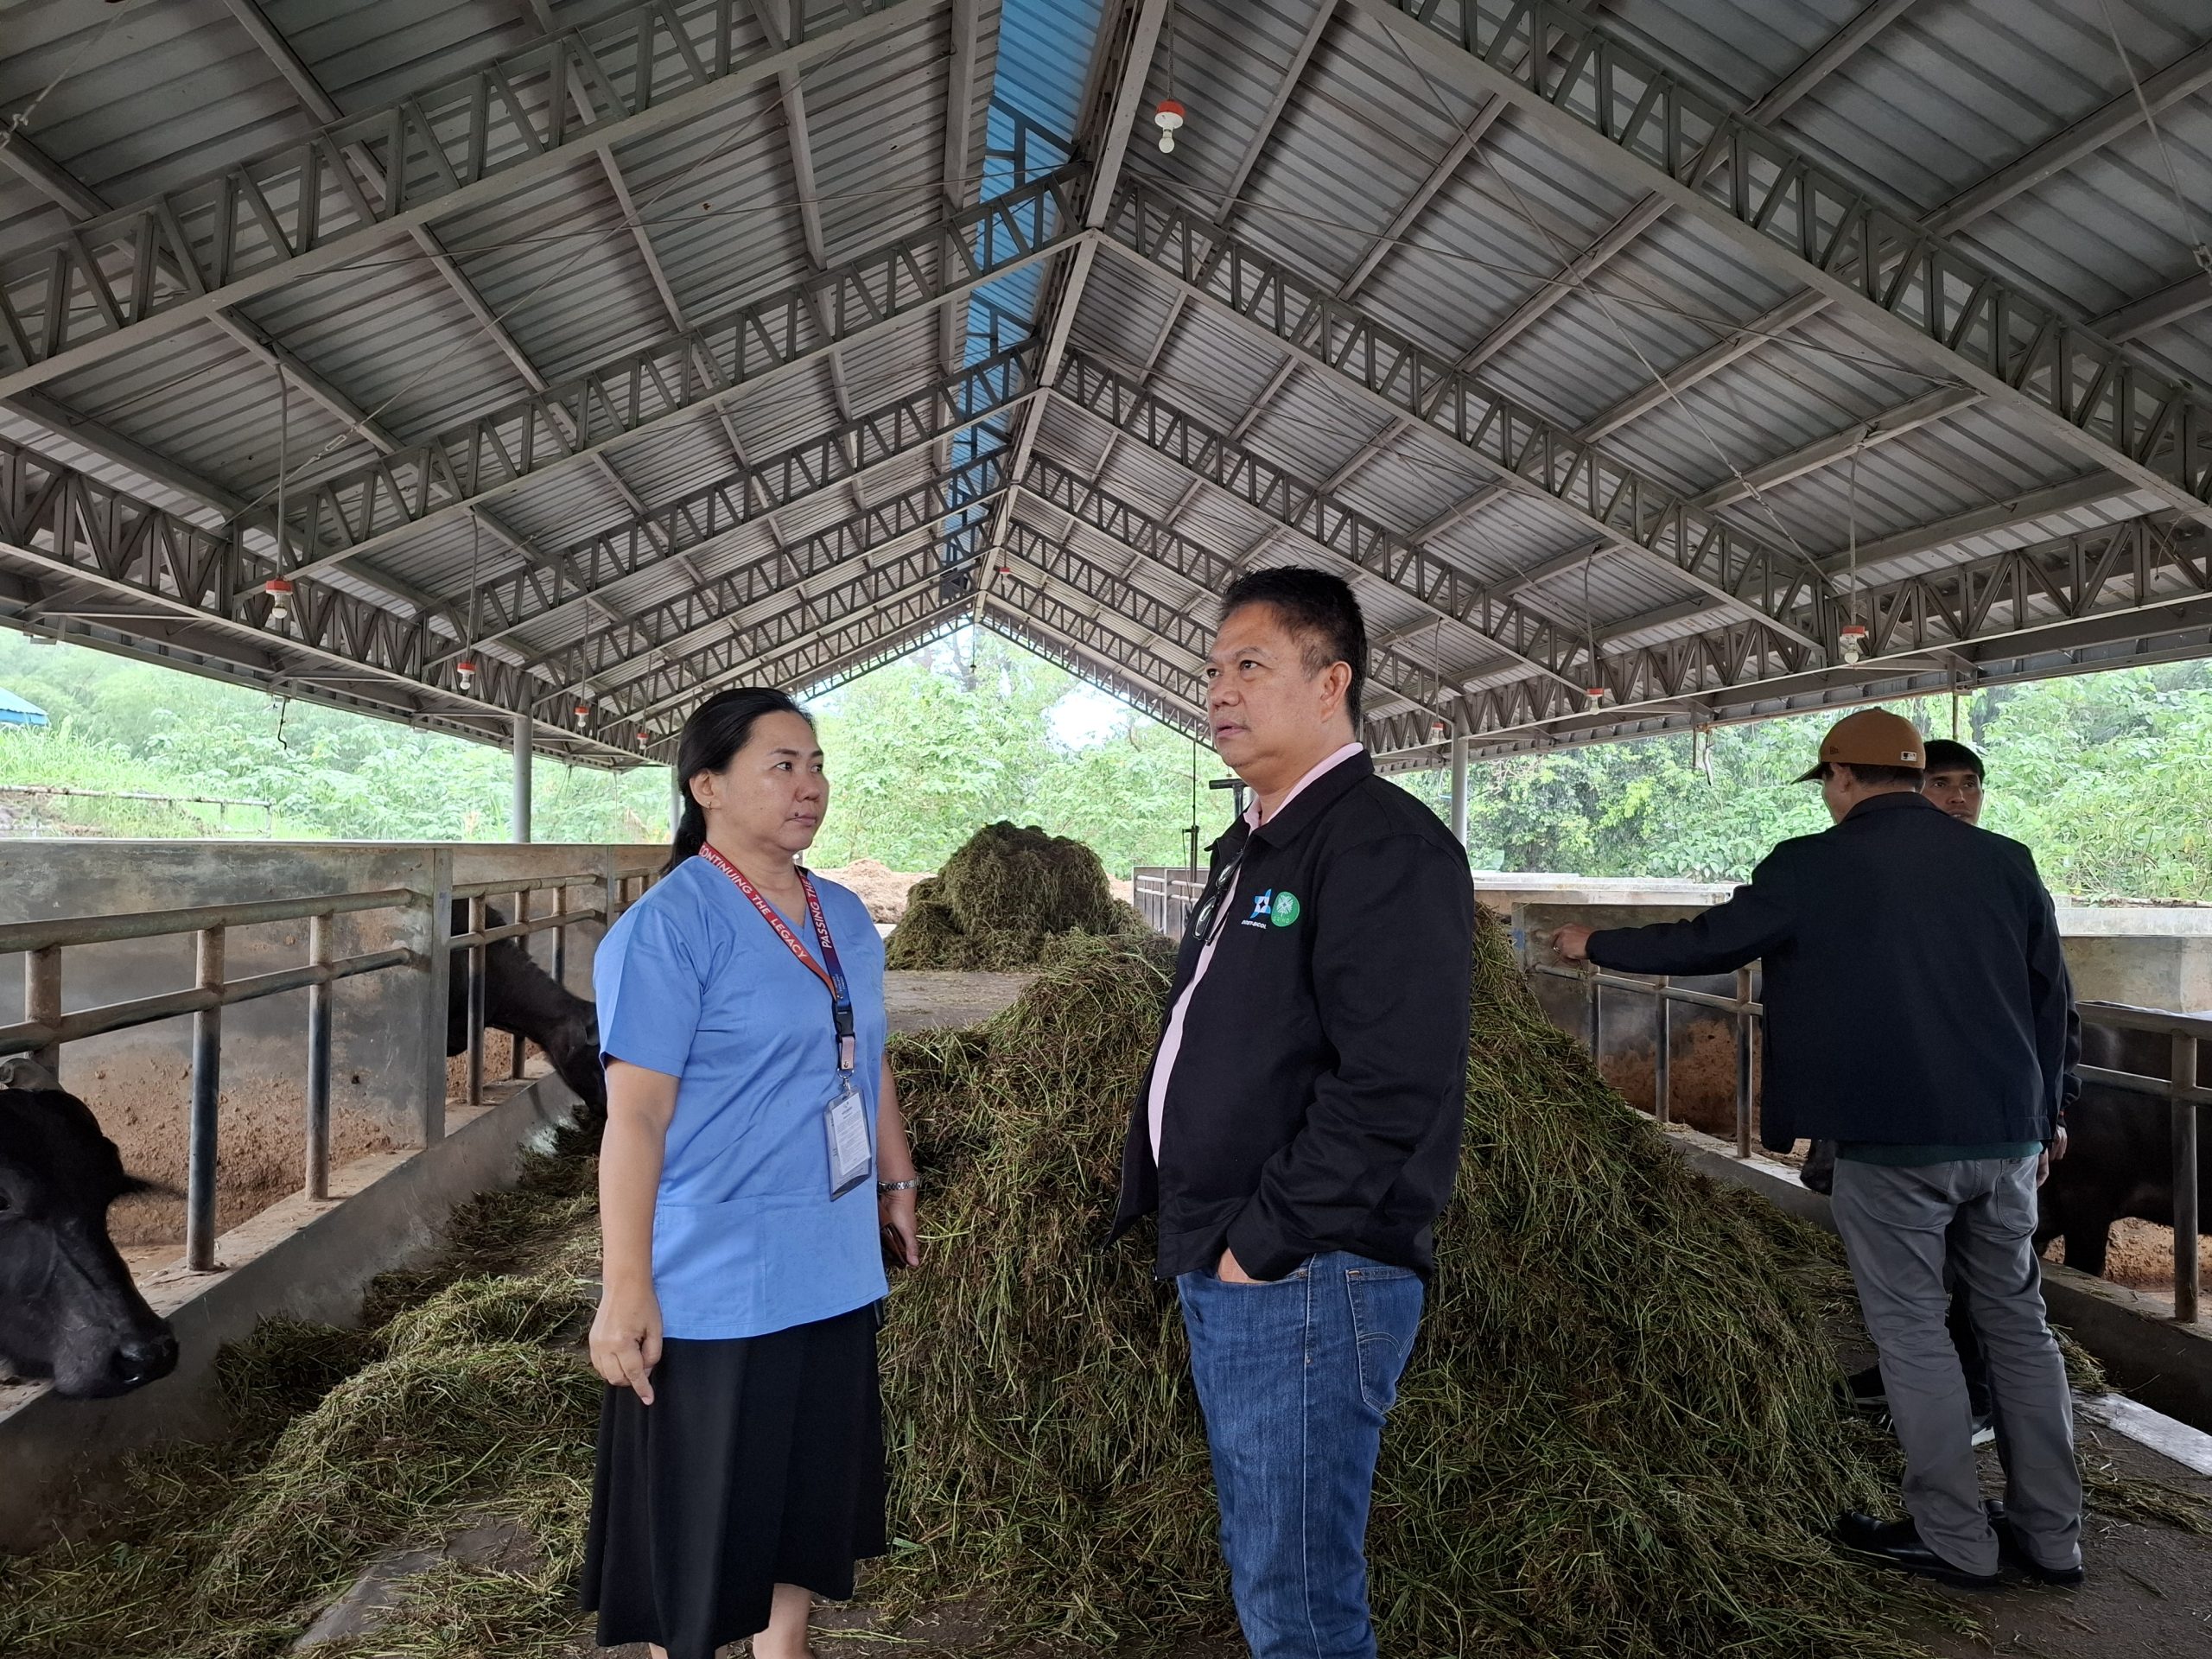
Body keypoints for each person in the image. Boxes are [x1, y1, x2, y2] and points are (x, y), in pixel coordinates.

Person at [1554, 708, 2082, 1592]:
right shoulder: (2005, 863)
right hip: (2003, 1137)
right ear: (1918, 780)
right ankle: (2052, 1537)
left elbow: (1708, 941)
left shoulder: (1813, 864)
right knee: (2019, 1329)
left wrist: (1591, 942)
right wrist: (2048, 1112)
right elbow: (2050, 998)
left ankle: (1956, 1538)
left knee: (1913, 1331)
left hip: (1891, 1141)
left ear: (1840, 780)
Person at [1107, 567, 1476, 1659]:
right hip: (1245, 1252)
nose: (1219, 691)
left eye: (1251, 665)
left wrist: (1260, 1244)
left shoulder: (1381, 846)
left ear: (1331, 684)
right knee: (1269, 1559)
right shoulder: (1254, 845)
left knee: (1299, 1594)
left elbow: (1391, 1082)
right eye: (1213, 670)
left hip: (1311, 1269)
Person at [582, 687, 922, 1659]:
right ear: (708, 787)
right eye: (782, 765)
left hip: (829, 1257)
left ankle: (786, 1651)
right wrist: (625, 1285)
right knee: (699, 1521)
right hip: (714, 1275)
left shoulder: (844, 915)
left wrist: (895, 1185)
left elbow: (870, 1057)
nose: (809, 787)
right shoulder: (669, 927)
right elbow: (635, 1116)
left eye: (815, 765)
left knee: (799, 1493)